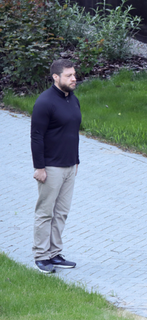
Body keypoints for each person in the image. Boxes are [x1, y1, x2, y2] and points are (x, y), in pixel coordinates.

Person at [30, 59, 81, 273]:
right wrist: (39, 167)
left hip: (70, 166)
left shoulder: (73, 99)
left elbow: (72, 132)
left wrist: (76, 161)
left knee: (61, 213)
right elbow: (36, 136)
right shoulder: (45, 102)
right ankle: (41, 256)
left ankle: (54, 253)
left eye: (74, 74)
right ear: (55, 77)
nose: (73, 78)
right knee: (45, 213)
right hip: (51, 167)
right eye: (68, 75)